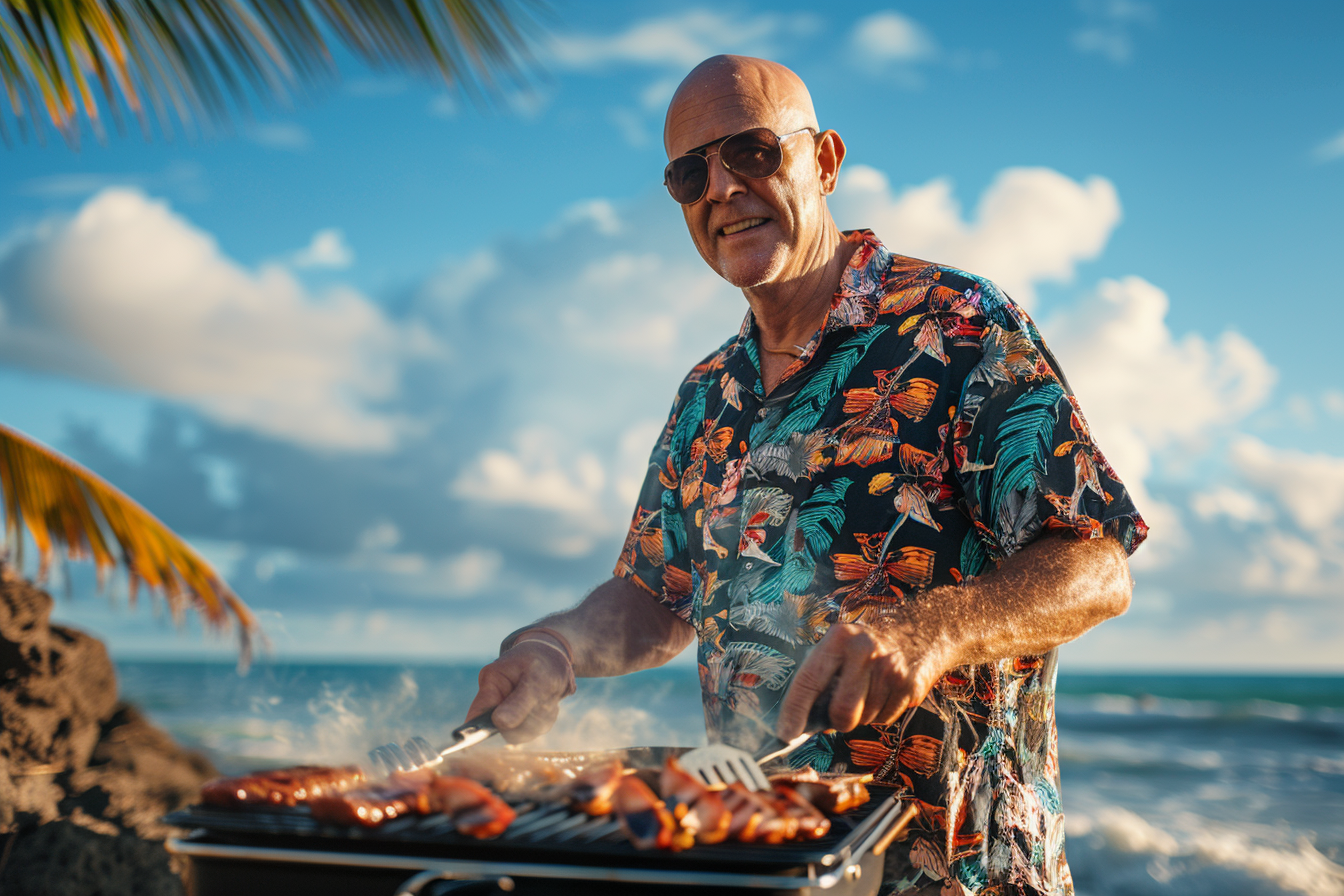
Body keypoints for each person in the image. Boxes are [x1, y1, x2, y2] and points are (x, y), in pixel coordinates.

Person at [466, 55, 1147, 896]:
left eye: (751, 152)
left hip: (965, 875)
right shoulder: (706, 396)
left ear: (823, 161)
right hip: (770, 864)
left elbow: (1095, 565)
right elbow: (655, 596)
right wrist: (555, 645)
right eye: (689, 174)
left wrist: (928, 630)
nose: (720, 189)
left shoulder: (960, 324)